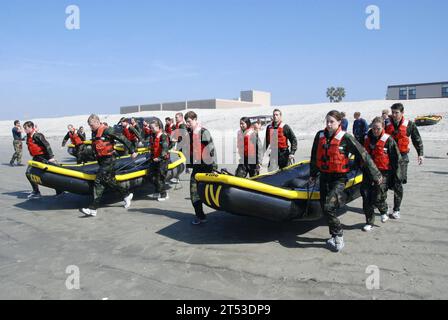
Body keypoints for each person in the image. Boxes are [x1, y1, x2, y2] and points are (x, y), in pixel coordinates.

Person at [309, 110, 382, 252]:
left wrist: (376, 174)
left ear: (339, 123)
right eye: (327, 121)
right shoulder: (320, 135)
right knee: (326, 208)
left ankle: (338, 235)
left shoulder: (346, 138)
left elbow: (364, 155)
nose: (329, 125)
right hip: (324, 177)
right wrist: (313, 174)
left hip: (339, 179)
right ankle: (333, 235)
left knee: (329, 207)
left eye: (332, 122)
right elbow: (314, 156)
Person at [81, 115, 137, 217]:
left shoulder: (107, 130)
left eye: (92, 125)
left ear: (97, 122)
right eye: (89, 125)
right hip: (101, 160)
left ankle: (93, 208)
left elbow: (122, 138)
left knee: (99, 181)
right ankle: (126, 194)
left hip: (109, 160)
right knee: (110, 181)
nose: (91, 127)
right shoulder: (94, 132)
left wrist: (133, 150)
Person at [361, 117, 402, 232]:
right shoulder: (366, 138)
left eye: (378, 128)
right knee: (366, 196)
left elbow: (396, 158)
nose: (375, 131)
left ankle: (384, 210)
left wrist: (396, 175)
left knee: (377, 197)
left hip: (383, 173)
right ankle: (369, 222)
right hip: (368, 172)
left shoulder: (388, 140)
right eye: (373, 128)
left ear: (383, 128)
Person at [385, 103, 424, 220]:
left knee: (398, 183)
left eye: (396, 112)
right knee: (384, 184)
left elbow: (417, 139)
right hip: (387, 157)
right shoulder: (386, 123)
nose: (394, 115)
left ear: (402, 113)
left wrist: (420, 154)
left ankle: (396, 209)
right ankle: (384, 207)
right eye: (392, 112)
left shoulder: (409, 125)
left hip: (402, 158)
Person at [184, 111, 218, 225]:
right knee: (194, 193)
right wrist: (188, 165)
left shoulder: (204, 132)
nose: (187, 124)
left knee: (212, 192)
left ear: (195, 120)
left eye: (189, 121)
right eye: (186, 122)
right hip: (197, 167)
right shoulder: (189, 134)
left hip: (207, 167)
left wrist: (214, 167)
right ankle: (200, 216)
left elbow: (212, 150)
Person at [23, 121, 57, 199]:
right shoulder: (28, 135)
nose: (25, 130)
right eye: (24, 128)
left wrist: (51, 157)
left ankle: (59, 191)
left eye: (26, 128)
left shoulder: (38, 135)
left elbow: (47, 145)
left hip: (44, 157)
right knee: (28, 173)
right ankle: (36, 191)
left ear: (31, 127)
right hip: (36, 158)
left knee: (52, 174)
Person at [147, 120, 170, 201]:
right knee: (150, 175)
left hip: (162, 160)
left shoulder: (163, 136)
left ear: (158, 127)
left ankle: (164, 194)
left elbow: (165, 149)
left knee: (160, 178)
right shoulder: (154, 135)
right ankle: (158, 189)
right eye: (151, 128)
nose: (151, 129)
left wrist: (160, 158)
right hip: (154, 159)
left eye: (153, 127)